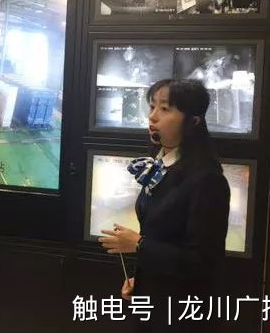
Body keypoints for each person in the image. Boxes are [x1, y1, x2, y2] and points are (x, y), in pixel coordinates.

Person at [98, 78, 230, 332]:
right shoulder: (160, 167)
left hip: (182, 314)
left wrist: (139, 245)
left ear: (193, 121)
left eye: (165, 108)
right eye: (152, 106)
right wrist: (142, 280)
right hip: (152, 302)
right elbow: (162, 237)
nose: (153, 116)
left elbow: (203, 262)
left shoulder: (207, 179)